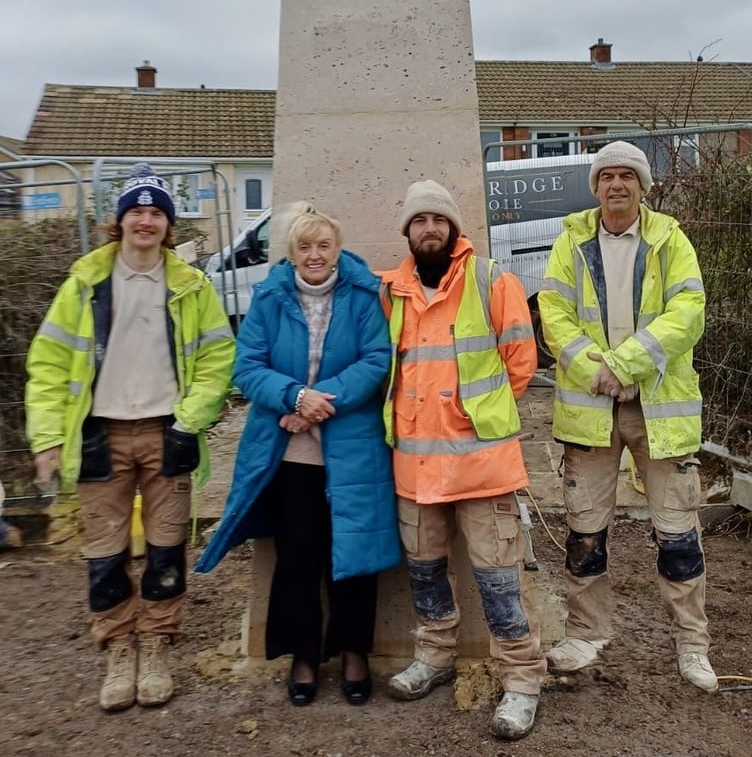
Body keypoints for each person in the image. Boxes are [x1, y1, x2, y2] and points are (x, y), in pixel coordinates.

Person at [25, 163, 234, 712]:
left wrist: (191, 416)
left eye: (156, 212)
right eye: (136, 211)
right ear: (119, 221)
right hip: (100, 434)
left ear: (168, 223)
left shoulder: (191, 285)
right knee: (105, 552)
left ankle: (157, 645)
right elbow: (47, 364)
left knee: (166, 548)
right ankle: (118, 647)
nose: (146, 220)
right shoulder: (85, 284)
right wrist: (47, 437)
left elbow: (218, 357)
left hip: (170, 430)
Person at [196, 202, 401, 706]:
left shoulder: (362, 294)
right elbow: (246, 367)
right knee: (297, 558)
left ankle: (355, 651)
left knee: (354, 554)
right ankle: (303, 653)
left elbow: (378, 359)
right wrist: (293, 397)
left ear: (337, 249)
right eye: (304, 246)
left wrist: (317, 402)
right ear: (291, 252)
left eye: (323, 245)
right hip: (289, 458)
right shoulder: (269, 296)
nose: (314, 255)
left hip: (352, 450)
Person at [538, 140, 717, 693]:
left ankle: (693, 645)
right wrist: (598, 370)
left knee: (678, 533)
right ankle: (585, 634)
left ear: (642, 186)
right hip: (591, 410)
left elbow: (688, 313)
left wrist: (624, 364)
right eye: (607, 176)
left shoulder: (670, 239)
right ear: (595, 187)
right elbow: (554, 312)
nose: (617, 185)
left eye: (627, 176)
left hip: (658, 410)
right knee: (584, 531)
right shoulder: (571, 241)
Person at [380, 180, 547, 742]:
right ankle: (434, 657)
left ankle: (522, 680)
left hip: (481, 464)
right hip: (416, 467)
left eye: (439, 220)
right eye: (419, 220)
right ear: (407, 230)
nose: (430, 229)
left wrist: (477, 415)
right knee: (425, 572)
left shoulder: (491, 280)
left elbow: (521, 362)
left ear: (453, 228)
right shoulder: (393, 291)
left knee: (499, 579)